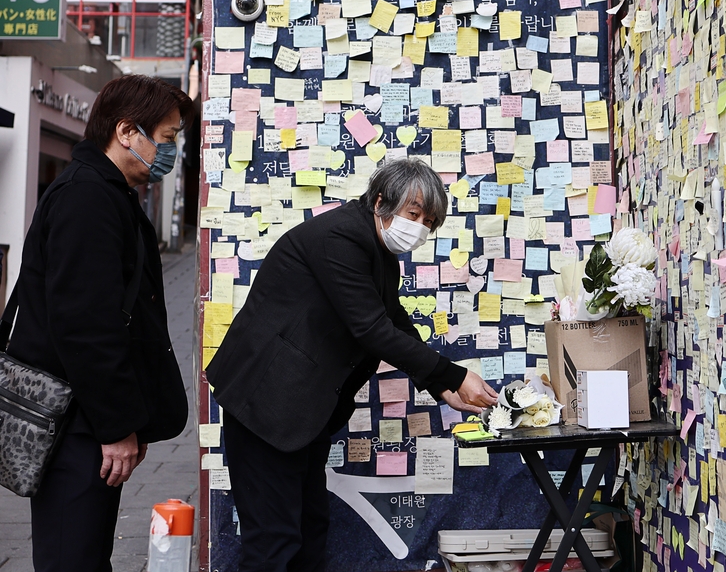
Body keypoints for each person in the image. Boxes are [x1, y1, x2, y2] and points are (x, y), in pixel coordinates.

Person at [206, 158, 498, 572]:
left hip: (300, 412)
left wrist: (439, 385)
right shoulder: (341, 237)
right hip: (265, 406)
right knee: (273, 542)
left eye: (429, 222)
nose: (419, 228)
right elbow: (372, 330)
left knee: (309, 530)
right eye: (413, 214)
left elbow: (394, 319)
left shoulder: (377, 250)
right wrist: (451, 374)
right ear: (381, 201)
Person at [5, 74, 193, 572]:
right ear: (128, 131)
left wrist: (130, 419)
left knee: (85, 554)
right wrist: (115, 428)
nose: (172, 151)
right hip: (76, 425)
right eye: (168, 137)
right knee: (73, 556)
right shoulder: (86, 198)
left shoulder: (108, 194)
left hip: (88, 418)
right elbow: (86, 327)